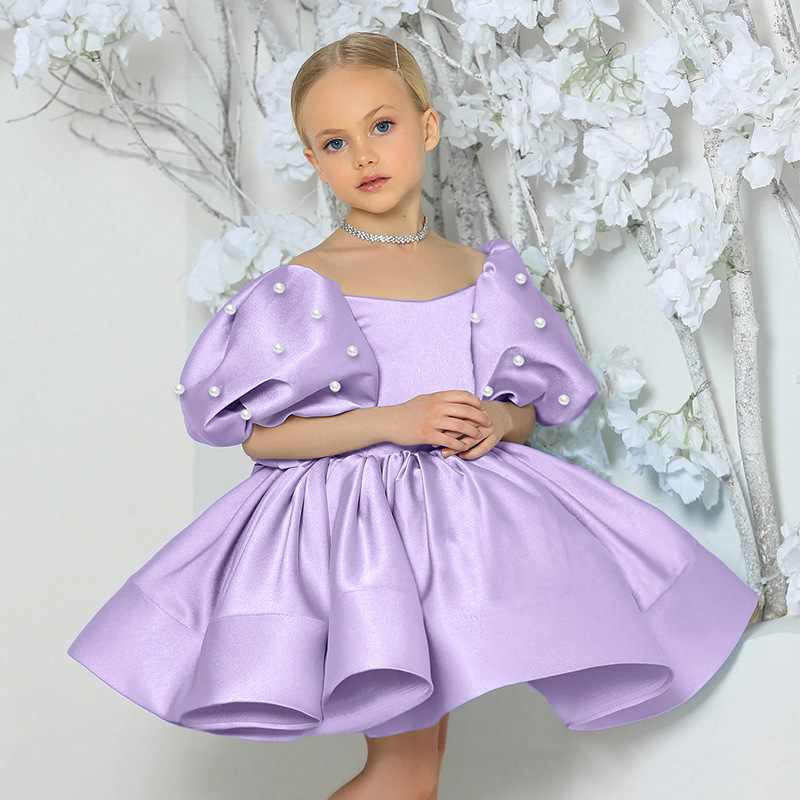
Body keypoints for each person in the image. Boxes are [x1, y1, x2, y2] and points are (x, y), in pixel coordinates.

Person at [67, 32, 760, 800]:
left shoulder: (480, 271)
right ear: (313, 160)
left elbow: (526, 411)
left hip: (457, 535)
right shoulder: (307, 282)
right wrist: (393, 421)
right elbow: (261, 439)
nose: (364, 154)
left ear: (427, 128)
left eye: (382, 125)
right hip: (363, 540)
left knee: (417, 773)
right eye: (336, 142)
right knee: (403, 771)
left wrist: (497, 421)